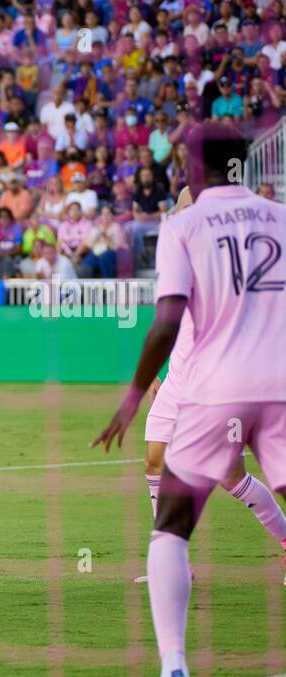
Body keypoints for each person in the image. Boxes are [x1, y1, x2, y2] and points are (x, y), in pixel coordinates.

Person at [93, 126, 286, 677]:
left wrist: (131, 392)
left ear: (197, 168)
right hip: (280, 382)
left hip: (214, 388)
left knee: (171, 528)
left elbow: (168, 317)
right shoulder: (279, 216)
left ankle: (174, 669)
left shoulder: (185, 226)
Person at [134, 186, 286, 582]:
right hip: (178, 379)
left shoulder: (235, 258)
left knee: (229, 475)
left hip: (215, 384)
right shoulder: (182, 252)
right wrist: (155, 371)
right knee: (154, 460)